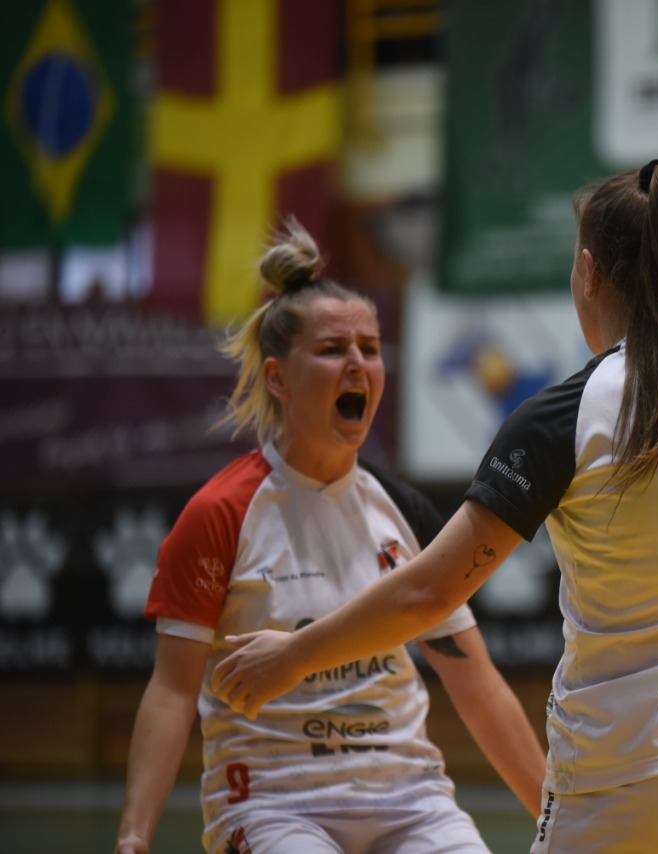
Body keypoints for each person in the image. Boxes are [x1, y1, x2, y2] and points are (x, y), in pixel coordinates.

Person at [211, 1, 658, 851]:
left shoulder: (567, 416)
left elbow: (429, 590)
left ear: (588, 274)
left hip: (627, 777)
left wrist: (289, 657)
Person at [114, 220, 546, 854]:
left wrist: (559, 821)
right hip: (273, 801)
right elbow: (173, 690)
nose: (358, 363)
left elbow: (477, 687)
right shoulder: (219, 514)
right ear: (278, 378)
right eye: (332, 348)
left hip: (410, 799)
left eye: (370, 348)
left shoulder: (404, 510)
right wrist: (132, 839)